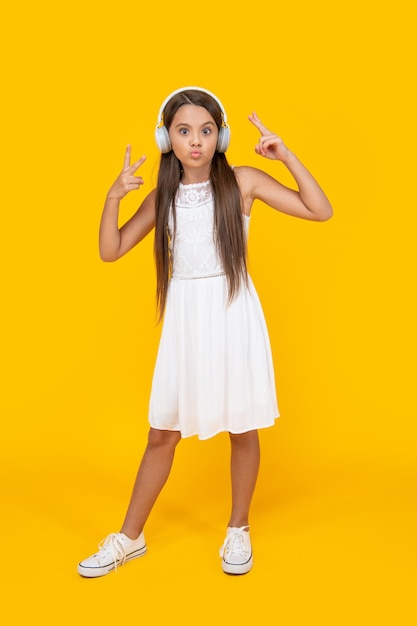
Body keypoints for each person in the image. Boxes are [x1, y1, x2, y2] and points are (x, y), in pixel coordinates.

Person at [77, 86, 333, 578]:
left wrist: (287, 156)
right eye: (184, 131)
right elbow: (111, 250)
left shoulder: (243, 182)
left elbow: (319, 209)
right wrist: (112, 197)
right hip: (185, 323)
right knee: (162, 433)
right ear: (166, 138)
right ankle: (130, 537)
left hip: (233, 313)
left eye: (207, 130)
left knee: (242, 427)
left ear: (222, 136)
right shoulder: (163, 196)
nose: (196, 140)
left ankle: (239, 529)